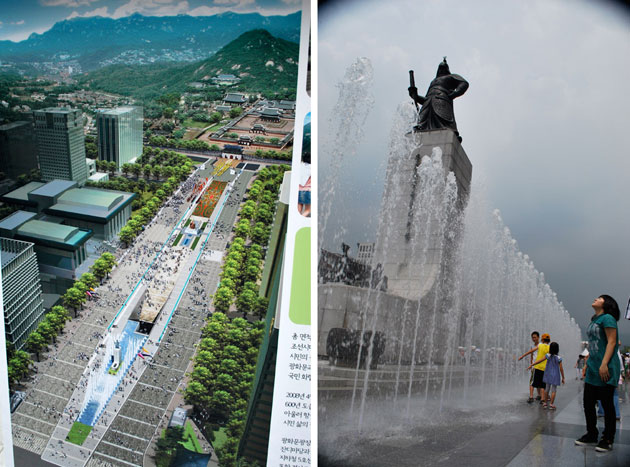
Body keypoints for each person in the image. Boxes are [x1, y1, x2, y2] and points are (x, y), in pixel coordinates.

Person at [575, 295, 621, 452]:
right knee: (588, 402)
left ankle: (607, 438)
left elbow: (612, 341)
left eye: (599, 298)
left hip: (605, 367)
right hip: (593, 368)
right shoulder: (594, 319)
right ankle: (591, 434)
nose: (595, 298)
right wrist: (588, 365)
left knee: (607, 404)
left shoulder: (607, 318)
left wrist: (604, 364)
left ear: (606, 303)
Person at [528, 342, 565, 410]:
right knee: (554, 390)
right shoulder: (559, 358)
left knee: (546, 389)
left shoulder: (548, 355)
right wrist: (563, 377)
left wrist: (532, 364)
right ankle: (551, 404)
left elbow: (539, 360)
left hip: (548, 374)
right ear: (557, 349)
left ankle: (544, 403)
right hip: (555, 376)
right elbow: (561, 368)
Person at [518, 332, 550, 403]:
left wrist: (522, 356)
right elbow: (532, 355)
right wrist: (531, 364)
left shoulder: (540, 346)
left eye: (535, 337)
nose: (533, 339)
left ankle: (536, 397)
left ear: (539, 338)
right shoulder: (537, 346)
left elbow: (531, 352)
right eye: (532, 337)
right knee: (539, 383)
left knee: (535, 383)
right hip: (538, 366)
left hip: (538, 366)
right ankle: (541, 397)